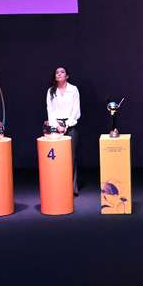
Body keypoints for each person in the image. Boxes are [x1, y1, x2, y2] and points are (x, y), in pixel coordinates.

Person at [46, 66, 81, 195]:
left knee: (71, 157)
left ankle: (72, 187)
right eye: (57, 72)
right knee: (57, 157)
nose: (59, 74)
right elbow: (50, 110)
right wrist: (57, 126)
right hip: (55, 127)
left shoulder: (73, 90)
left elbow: (76, 110)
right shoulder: (51, 91)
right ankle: (58, 186)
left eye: (62, 72)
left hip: (70, 125)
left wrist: (66, 125)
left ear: (67, 76)